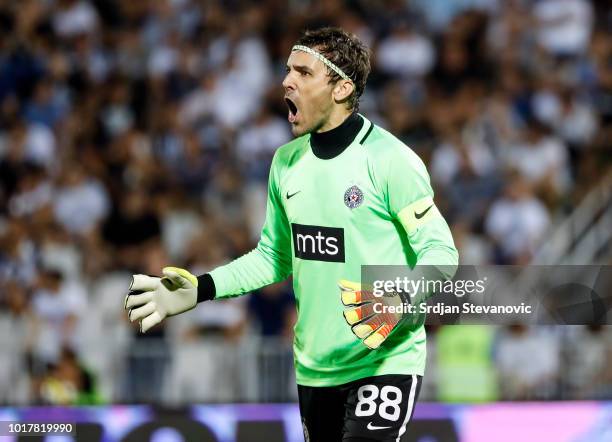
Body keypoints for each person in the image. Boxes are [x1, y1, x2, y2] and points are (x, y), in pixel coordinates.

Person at [124, 27, 458, 441]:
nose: (286, 81)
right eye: (287, 70)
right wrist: (200, 289)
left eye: (302, 72)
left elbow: (441, 251)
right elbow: (273, 257)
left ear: (341, 88)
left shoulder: (390, 160)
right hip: (315, 367)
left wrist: (401, 296)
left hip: (384, 361)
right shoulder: (286, 163)